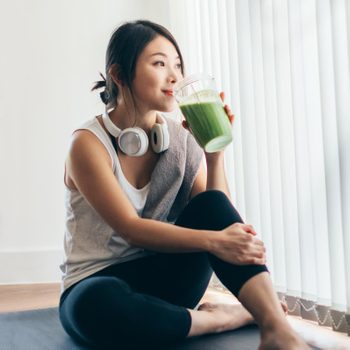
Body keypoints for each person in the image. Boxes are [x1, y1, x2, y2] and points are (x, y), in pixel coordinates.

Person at [59, 19, 309, 349]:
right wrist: (214, 242)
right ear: (119, 75)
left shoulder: (178, 138)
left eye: (177, 64)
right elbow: (131, 228)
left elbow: (217, 210)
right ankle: (225, 317)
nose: (174, 76)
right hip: (97, 282)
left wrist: (212, 153)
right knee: (95, 305)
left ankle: (276, 328)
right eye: (159, 63)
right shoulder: (88, 144)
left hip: (164, 277)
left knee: (210, 204)